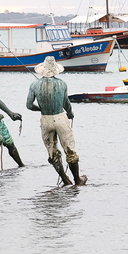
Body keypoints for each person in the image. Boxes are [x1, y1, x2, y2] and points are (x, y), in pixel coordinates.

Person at [25, 55, 86, 185]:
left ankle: (65, 179)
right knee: (69, 149)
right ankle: (77, 179)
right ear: (55, 70)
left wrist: (41, 109)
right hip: (60, 118)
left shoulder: (34, 85)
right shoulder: (62, 84)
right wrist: (70, 113)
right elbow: (66, 103)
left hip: (45, 119)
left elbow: (29, 105)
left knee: (52, 152)